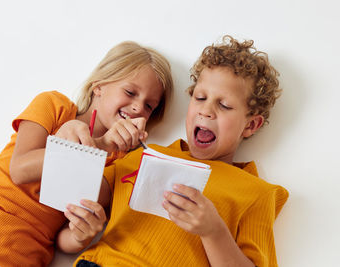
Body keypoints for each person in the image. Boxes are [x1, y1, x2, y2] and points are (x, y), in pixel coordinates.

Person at [59, 35, 288, 267]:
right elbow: (74, 189)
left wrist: (213, 232)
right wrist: (79, 136)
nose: (206, 111)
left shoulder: (256, 193)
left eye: (224, 105)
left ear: (250, 125)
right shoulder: (144, 154)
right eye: (200, 98)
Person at [0, 41, 173, 266]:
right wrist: (100, 144)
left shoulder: (121, 167)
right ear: (99, 85)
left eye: (149, 106)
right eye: (131, 92)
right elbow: (20, 169)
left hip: (16, 256)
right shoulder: (54, 105)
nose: (137, 108)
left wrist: (80, 236)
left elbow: (63, 238)